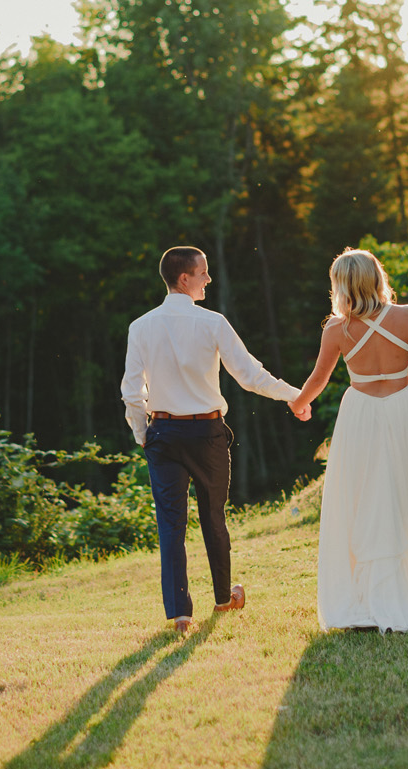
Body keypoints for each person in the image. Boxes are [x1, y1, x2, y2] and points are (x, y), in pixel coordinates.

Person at [121, 245, 310, 633]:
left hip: (164, 434)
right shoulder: (213, 323)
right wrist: (294, 395)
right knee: (213, 517)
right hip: (206, 432)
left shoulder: (140, 326)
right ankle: (224, 600)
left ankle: (180, 615)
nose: (209, 278)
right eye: (203, 273)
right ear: (185, 278)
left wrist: (143, 434)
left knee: (171, 525)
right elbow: (249, 375)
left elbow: (130, 391)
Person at [289, 248, 408, 632]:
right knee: (407, 493)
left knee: (364, 496)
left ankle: (374, 594)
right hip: (404, 409)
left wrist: (300, 403)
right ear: (376, 277)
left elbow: (319, 378)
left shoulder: (337, 329)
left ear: (342, 285)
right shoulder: (407, 316)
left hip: (362, 414)